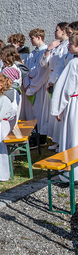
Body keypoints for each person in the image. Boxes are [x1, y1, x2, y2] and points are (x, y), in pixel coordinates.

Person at [51, 31, 78, 182]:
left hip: (74, 104)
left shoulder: (74, 63)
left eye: (71, 44)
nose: (68, 47)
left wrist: (58, 109)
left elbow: (66, 88)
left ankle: (71, 175)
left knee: (73, 137)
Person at [40, 22, 69, 152]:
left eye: (56, 30)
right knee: (53, 113)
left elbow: (61, 67)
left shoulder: (68, 46)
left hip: (58, 80)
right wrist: (49, 49)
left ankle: (61, 140)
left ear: (64, 31)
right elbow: (44, 63)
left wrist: (52, 81)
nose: (54, 32)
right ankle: (56, 139)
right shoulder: (57, 46)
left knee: (59, 111)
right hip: (52, 80)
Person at [23, 28, 49, 148]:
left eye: (32, 38)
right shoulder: (32, 54)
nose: (30, 40)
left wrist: (33, 87)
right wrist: (27, 84)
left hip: (40, 86)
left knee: (39, 112)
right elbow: (26, 70)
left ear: (39, 37)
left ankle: (40, 137)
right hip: (30, 86)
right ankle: (33, 135)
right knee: (31, 112)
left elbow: (43, 73)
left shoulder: (45, 52)